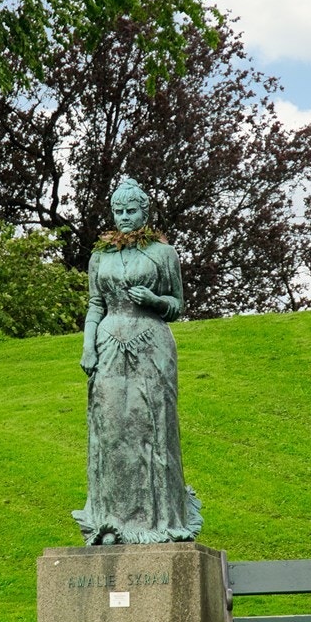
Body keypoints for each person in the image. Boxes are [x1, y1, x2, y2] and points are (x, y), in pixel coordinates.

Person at [73, 177, 203, 545]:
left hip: (152, 344)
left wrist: (154, 300)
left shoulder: (163, 254)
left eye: (132, 210)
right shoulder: (101, 256)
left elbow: (177, 306)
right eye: (118, 210)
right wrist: (88, 347)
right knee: (111, 430)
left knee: (153, 429)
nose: (124, 217)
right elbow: (95, 304)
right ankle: (110, 521)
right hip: (108, 343)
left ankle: (160, 521)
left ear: (145, 212)